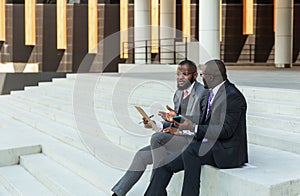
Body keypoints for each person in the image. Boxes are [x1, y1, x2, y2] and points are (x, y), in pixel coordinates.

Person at [144, 59, 248, 196]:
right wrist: (178, 120)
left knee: (190, 151)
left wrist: (193, 127)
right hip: (208, 143)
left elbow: (225, 131)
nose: (201, 78)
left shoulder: (232, 96)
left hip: (226, 151)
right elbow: (204, 123)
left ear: (211, 77)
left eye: (202, 75)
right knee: (164, 164)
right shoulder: (213, 92)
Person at [111, 60, 208, 196]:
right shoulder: (179, 93)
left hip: (192, 140)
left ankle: (155, 189)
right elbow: (176, 122)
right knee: (141, 155)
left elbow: (195, 123)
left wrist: (175, 118)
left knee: (158, 138)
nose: (180, 77)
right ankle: (118, 193)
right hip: (177, 137)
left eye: (184, 74)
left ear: (195, 75)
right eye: (178, 74)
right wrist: (154, 124)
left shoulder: (202, 93)